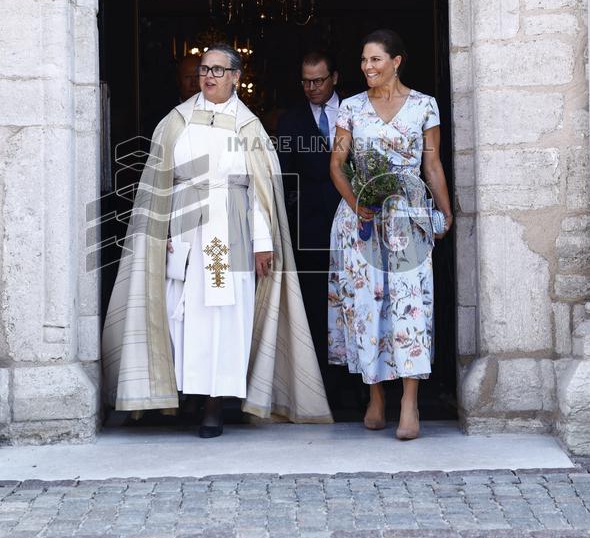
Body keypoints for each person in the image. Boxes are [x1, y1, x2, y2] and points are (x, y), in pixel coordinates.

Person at [103, 43, 331, 438]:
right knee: (182, 315)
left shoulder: (249, 127)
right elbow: (158, 185)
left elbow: (261, 193)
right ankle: (185, 395)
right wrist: (162, 232)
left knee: (225, 318)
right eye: (205, 69)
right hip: (185, 230)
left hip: (231, 234)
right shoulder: (176, 121)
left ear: (237, 77)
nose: (208, 76)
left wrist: (264, 242)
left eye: (218, 70)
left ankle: (215, 405)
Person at [327, 29, 452, 441]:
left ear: (397, 61)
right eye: (364, 61)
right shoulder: (350, 108)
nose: (368, 67)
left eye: (376, 60)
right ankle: (375, 396)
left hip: (406, 219)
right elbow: (337, 163)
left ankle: (410, 401)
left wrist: (445, 213)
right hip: (360, 219)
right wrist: (357, 202)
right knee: (366, 307)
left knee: (409, 306)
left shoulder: (424, 107)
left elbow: (431, 166)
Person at [276, 51, 345, 393]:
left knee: (353, 301)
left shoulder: (356, 111)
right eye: (306, 81)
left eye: (318, 80)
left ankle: (359, 385)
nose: (312, 87)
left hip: (354, 221)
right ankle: (323, 386)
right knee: (317, 305)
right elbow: (285, 179)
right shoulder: (290, 121)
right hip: (311, 227)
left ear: (335, 77)